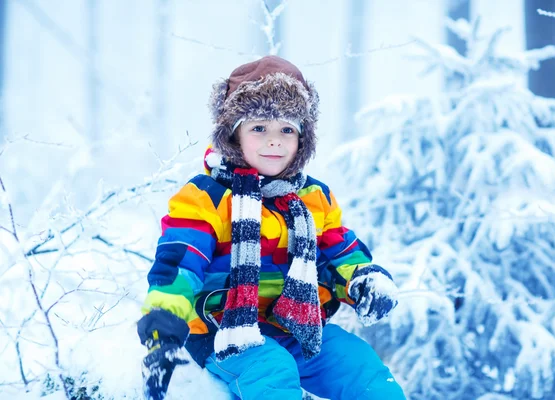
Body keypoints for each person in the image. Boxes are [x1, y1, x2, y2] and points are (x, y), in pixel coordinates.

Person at [137, 55, 407, 400]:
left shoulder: (312, 197)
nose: (274, 140)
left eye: (287, 129)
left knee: (361, 367)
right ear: (234, 136)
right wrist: (163, 324)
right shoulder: (208, 197)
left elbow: (341, 253)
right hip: (224, 330)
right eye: (259, 128)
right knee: (272, 371)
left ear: (302, 140)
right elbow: (180, 261)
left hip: (298, 326)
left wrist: (362, 280)